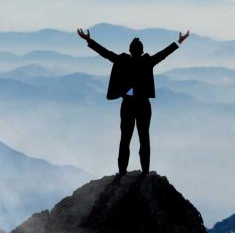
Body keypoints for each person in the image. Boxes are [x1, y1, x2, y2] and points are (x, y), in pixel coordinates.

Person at [76, 28, 190, 175]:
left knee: (125, 138)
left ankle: (122, 171)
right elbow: (164, 54)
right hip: (143, 104)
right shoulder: (147, 61)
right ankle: (145, 171)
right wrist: (179, 42)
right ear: (142, 51)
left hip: (128, 104)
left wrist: (88, 40)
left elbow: (105, 53)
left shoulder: (123, 61)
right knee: (144, 137)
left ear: (130, 50)